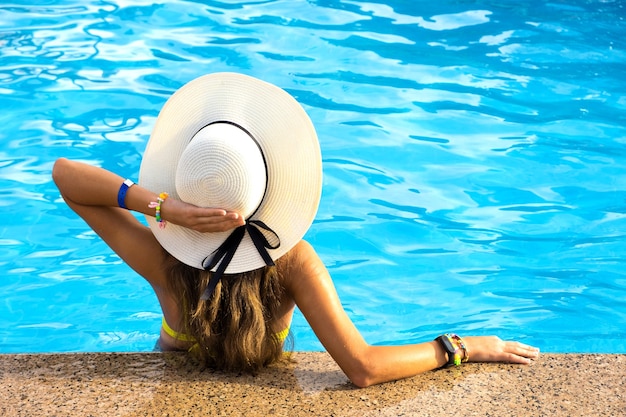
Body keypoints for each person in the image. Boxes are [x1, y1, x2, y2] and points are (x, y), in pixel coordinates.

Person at [52, 72, 539, 388]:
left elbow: (66, 177)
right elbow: (363, 367)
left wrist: (160, 209)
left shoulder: (164, 259)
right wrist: (462, 347)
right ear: (270, 186)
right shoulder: (292, 262)